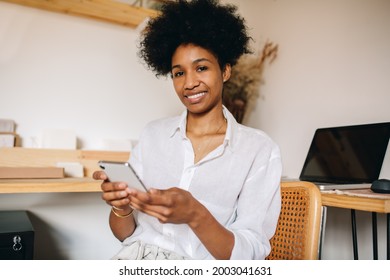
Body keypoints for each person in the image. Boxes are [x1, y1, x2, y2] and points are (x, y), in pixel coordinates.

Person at [93, 0, 282, 260]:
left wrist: (195, 214)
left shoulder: (258, 149)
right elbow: (126, 235)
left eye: (201, 68)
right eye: (178, 73)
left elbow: (249, 254)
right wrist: (121, 207)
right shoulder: (153, 135)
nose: (190, 83)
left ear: (225, 70)